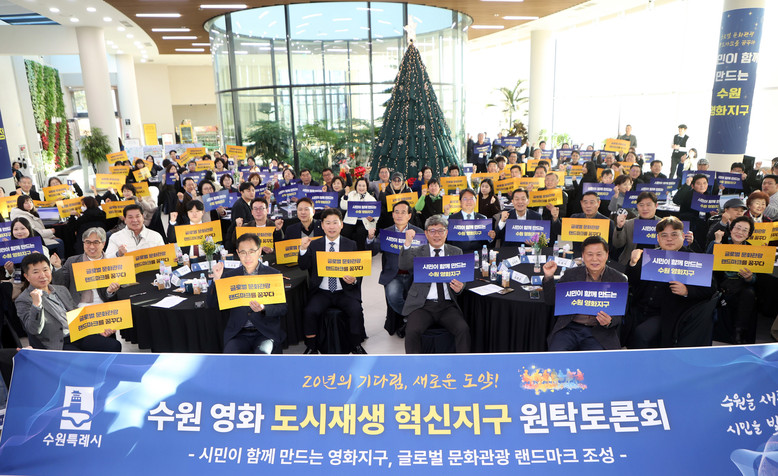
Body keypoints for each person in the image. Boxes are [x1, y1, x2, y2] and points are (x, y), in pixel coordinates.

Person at [625, 216, 716, 348]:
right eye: (664, 235)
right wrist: (633, 263)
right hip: (638, 309)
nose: (669, 239)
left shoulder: (694, 259)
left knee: (641, 334)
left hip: (666, 314)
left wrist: (687, 291)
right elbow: (632, 281)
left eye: (674, 235)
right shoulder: (649, 255)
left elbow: (711, 288)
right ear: (658, 238)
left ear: (683, 236)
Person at [15, 253, 121, 351]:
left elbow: (77, 314)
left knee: (114, 345)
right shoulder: (23, 299)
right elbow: (33, 329)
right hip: (58, 342)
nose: (42, 275)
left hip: (78, 334)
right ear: (27, 276)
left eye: (45, 270)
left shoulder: (61, 289)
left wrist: (97, 329)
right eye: (36, 272)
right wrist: (37, 305)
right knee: (81, 359)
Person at [399, 214, 470, 353]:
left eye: (440, 231)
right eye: (432, 231)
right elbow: (403, 264)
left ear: (446, 232)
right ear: (426, 233)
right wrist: (407, 243)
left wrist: (461, 287)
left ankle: (464, 363)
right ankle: (413, 364)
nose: (436, 235)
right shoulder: (418, 251)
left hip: (447, 305)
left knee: (463, 329)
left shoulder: (456, 252)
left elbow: (463, 277)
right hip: (422, 305)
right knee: (412, 331)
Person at [299, 208, 366, 355]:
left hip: (344, 291)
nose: (331, 227)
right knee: (309, 311)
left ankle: (356, 345)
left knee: (355, 310)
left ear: (341, 224)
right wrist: (303, 249)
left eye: (335, 222)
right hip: (322, 292)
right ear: (322, 225)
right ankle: (311, 346)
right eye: (328, 223)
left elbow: (359, 270)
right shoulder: (314, 245)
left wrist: (354, 279)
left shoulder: (351, 244)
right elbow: (303, 266)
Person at [542, 235, 627, 351]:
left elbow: (620, 315)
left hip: (598, 332)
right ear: (583, 255)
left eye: (599, 254)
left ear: (607, 255)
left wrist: (609, 321)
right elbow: (551, 300)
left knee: (595, 361)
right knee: (556, 357)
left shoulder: (618, 279)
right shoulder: (571, 275)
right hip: (569, 328)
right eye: (590, 254)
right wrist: (548, 276)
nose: (594, 259)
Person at [207, 234, 288, 354]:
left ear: (259, 251)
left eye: (251, 252)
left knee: (262, 356)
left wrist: (264, 308)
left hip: (264, 333)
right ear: (237, 253)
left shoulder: (273, 275)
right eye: (243, 252)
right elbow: (211, 304)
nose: (247, 257)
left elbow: (283, 309)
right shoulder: (230, 277)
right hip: (238, 334)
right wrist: (217, 280)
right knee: (230, 358)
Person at [367, 200, 422, 327]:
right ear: (392, 215)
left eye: (403, 212)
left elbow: (425, 254)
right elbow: (373, 251)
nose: (399, 215)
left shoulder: (418, 232)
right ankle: (410, 316)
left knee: (420, 297)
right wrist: (370, 238)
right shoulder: (386, 232)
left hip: (414, 274)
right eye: (396, 212)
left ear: (409, 215)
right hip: (394, 274)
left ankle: (412, 319)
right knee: (393, 296)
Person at [707, 216, 758, 344]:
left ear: (748, 235)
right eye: (737, 228)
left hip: (740, 286)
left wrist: (749, 277)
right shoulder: (720, 242)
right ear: (731, 230)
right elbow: (706, 263)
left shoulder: (751, 249)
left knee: (749, 293)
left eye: (745, 230)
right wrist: (717, 243)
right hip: (719, 283)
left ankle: (738, 332)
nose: (740, 232)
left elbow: (755, 278)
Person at [53, 228, 120, 307]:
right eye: (88, 242)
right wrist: (58, 267)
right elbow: (61, 286)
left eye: (96, 242)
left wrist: (109, 292)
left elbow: (118, 295)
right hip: (78, 306)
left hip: (104, 306)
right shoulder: (72, 261)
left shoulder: (112, 264)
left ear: (103, 244)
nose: (91, 246)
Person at [10, 195, 64, 259]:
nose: (29, 204)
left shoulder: (29, 212)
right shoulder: (23, 216)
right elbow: (35, 232)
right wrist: (51, 231)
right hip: (34, 240)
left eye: (30, 202)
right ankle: (61, 260)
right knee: (60, 242)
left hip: (40, 237)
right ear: (20, 204)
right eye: (26, 203)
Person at [446, 188, 496, 253]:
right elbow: (449, 242)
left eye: (471, 198)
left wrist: (491, 238)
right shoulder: (452, 219)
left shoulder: (483, 218)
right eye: (465, 199)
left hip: (477, 254)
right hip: (458, 254)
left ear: (476, 201)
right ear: (460, 202)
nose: (468, 201)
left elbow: (487, 244)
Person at [341, 177, 377, 251]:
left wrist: (372, 219)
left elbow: (376, 215)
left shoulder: (371, 199)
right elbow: (343, 206)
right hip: (350, 220)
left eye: (363, 186)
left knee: (361, 232)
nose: (361, 188)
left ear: (367, 187)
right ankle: (345, 252)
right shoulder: (351, 194)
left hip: (364, 222)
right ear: (356, 186)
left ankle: (360, 253)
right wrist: (346, 194)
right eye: (359, 185)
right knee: (345, 231)